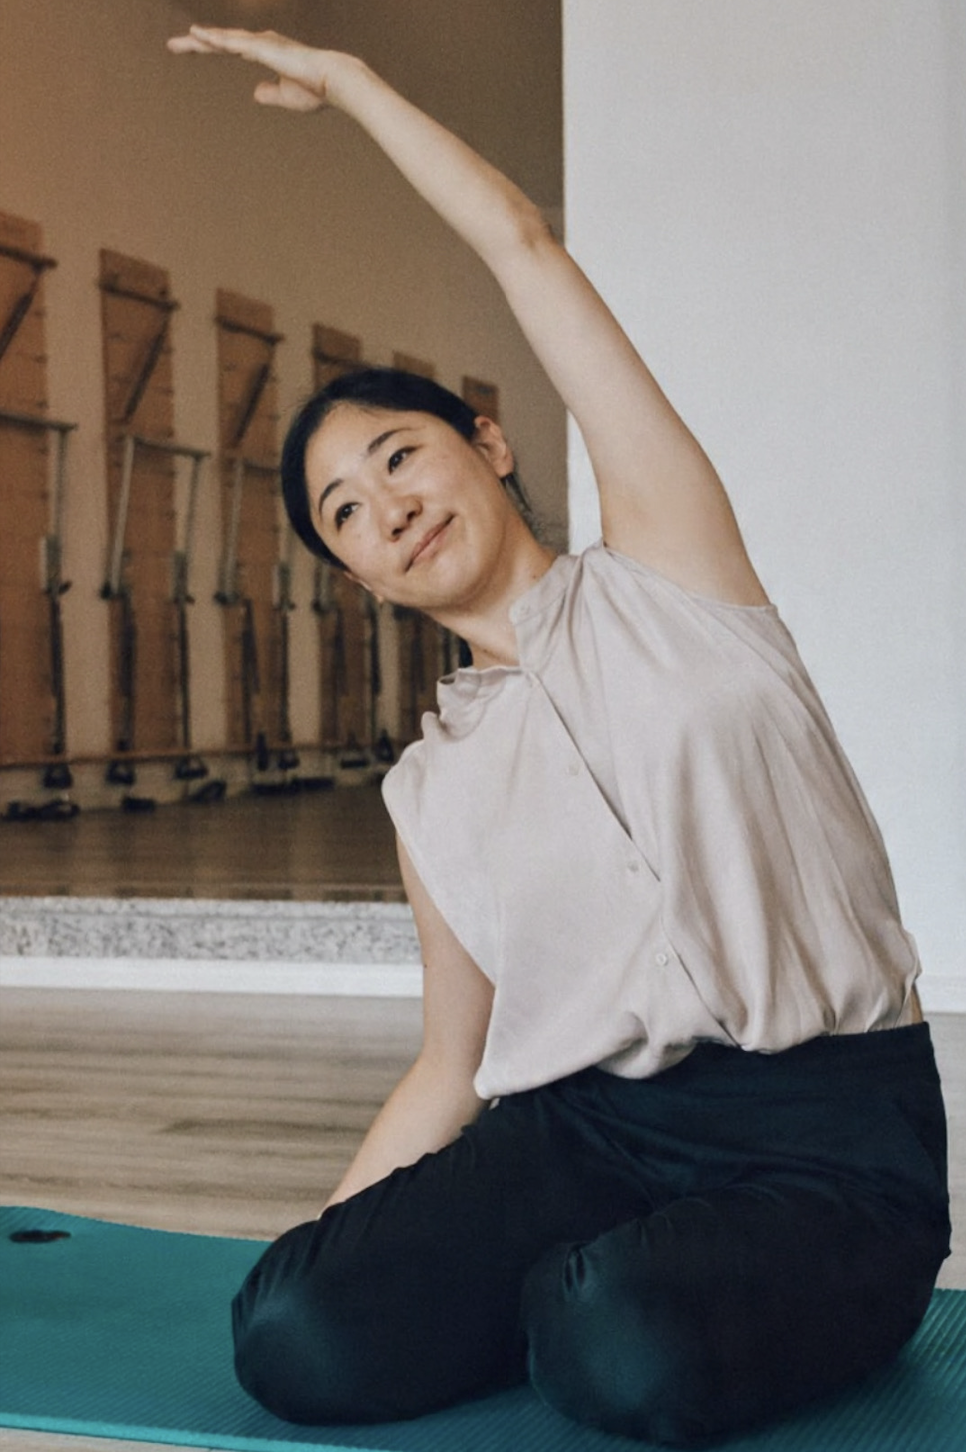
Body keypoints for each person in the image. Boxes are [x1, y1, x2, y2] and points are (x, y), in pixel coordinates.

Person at [168, 26, 950, 1447]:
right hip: (584, 1136)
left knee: (616, 1341)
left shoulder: (673, 571)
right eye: (346, 514)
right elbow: (450, 1063)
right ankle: (575, 1294)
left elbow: (521, 244)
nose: (388, 509)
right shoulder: (431, 789)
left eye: (400, 456)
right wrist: (338, 1253)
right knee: (291, 1332)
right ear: (360, 577)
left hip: (826, 1136)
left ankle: (620, 1301)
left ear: (489, 442)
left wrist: (356, 90)